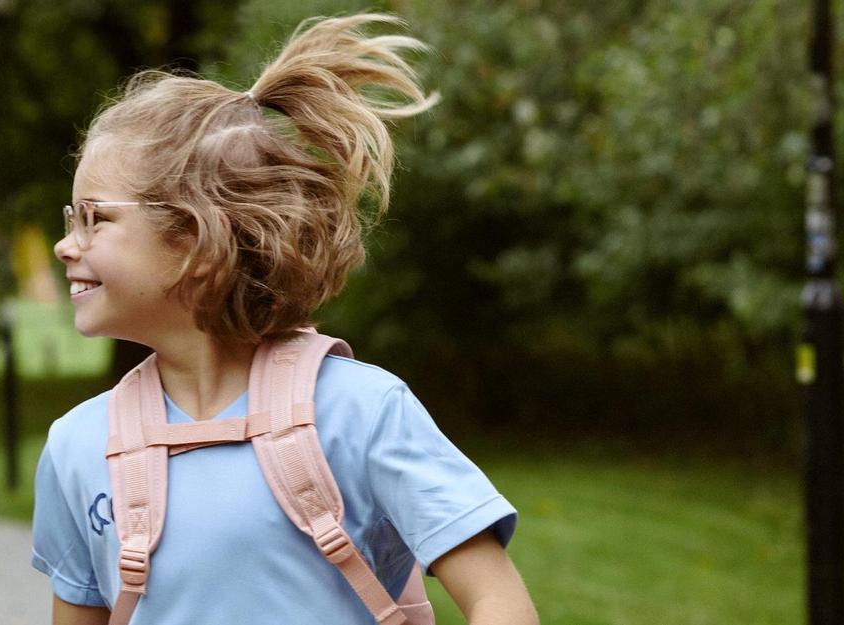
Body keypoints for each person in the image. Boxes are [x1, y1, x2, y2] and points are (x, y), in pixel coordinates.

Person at [30, 14, 538, 625]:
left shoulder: (360, 412)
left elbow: (497, 599)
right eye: (70, 219)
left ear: (195, 240)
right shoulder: (77, 447)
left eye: (95, 219)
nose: (66, 245)